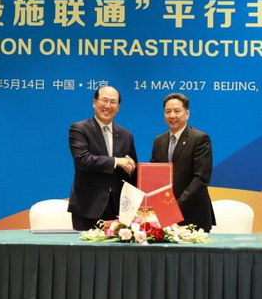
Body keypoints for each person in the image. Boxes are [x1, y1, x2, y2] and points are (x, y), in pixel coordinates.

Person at [68, 86, 137, 230]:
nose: (108, 106)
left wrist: (131, 168)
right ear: (94, 102)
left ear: (118, 107)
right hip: (88, 208)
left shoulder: (126, 135)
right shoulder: (79, 129)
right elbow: (83, 160)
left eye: (113, 102)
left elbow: (132, 170)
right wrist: (117, 161)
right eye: (104, 100)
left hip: (118, 209)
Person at [150, 92, 215, 232]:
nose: (172, 115)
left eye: (177, 111)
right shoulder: (159, 140)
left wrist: (175, 206)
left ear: (187, 114)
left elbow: (201, 179)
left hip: (193, 214)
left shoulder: (200, 139)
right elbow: (153, 175)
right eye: (168, 111)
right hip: (165, 214)